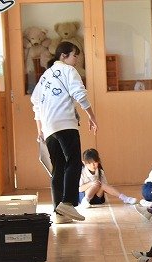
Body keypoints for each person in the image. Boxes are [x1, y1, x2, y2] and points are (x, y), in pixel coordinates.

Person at [31, 41, 98, 223]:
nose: (76, 59)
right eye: (74, 55)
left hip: (49, 128)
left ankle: (59, 214)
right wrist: (91, 116)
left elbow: (36, 103)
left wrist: (40, 131)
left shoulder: (45, 75)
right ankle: (67, 203)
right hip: (65, 123)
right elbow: (80, 94)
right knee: (74, 162)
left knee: (58, 168)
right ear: (63, 56)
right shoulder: (69, 71)